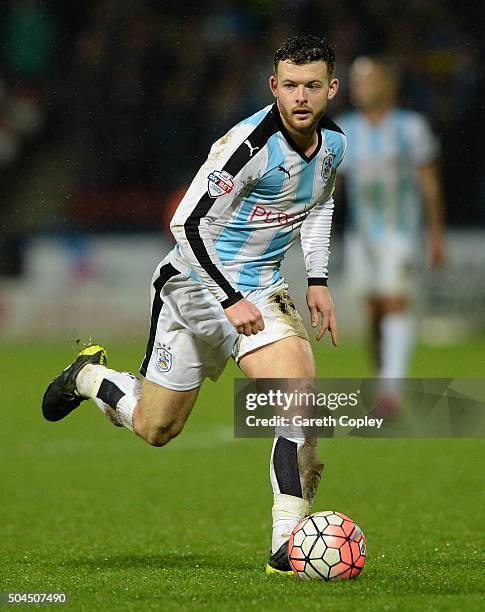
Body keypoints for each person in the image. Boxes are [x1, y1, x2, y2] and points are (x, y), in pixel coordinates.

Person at [42, 35, 346, 575]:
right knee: (157, 429)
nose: (301, 97)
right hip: (195, 286)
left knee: (297, 395)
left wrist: (317, 279)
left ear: (330, 89)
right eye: (291, 86)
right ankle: (90, 377)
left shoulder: (335, 146)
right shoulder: (248, 147)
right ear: (274, 87)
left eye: (313, 86)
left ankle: (286, 547)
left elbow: (317, 203)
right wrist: (227, 299)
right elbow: (185, 222)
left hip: (259, 289)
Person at [337, 57, 445, 409]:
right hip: (361, 235)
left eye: (368, 81)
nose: (360, 88)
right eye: (356, 82)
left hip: (400, 232)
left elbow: (429, 185)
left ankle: (390, 390)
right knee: (374, 311)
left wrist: (436, 236)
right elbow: (330, 186)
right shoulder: (344, 130)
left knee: (394, 301)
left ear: (388, 85)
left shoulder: (409, 127)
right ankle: (385, 376)